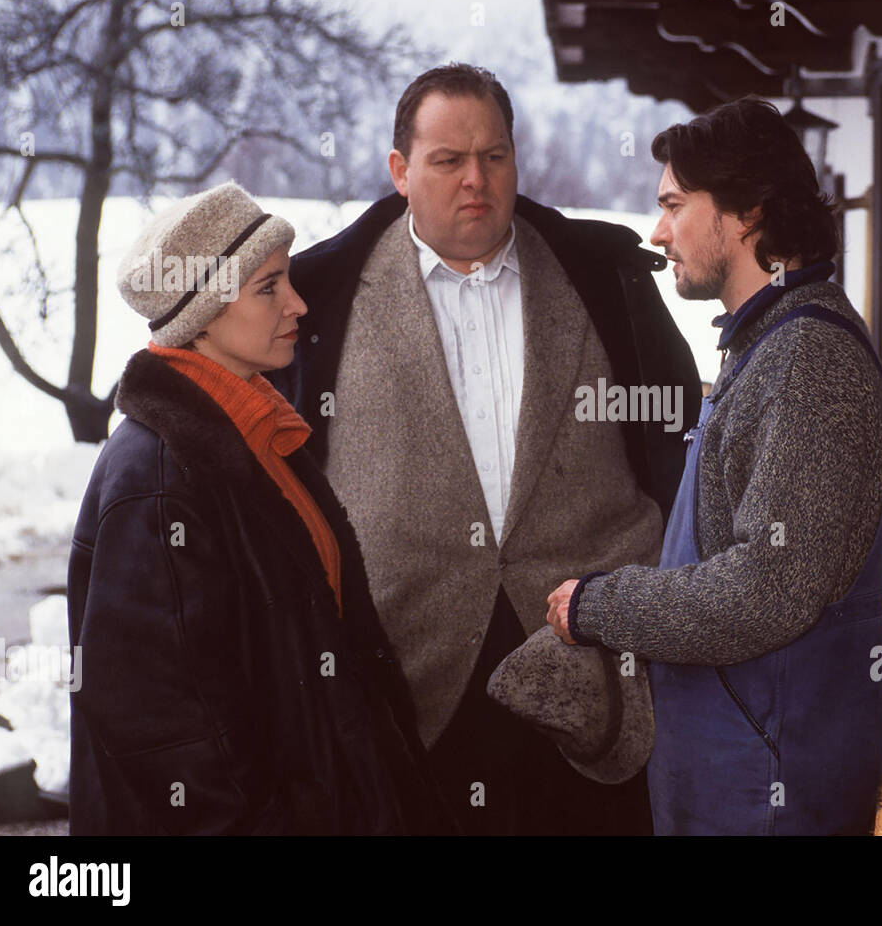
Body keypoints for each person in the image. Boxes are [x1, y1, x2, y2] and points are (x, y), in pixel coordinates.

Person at [266, 63, 701, 835]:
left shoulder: (605, 278)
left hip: (592, 667)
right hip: (409, 679)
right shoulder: (321, 297)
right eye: (448, 160)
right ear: (400, 170)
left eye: (493, 157)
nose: (476, 180)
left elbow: (679, 452)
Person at [546, 97, 882, 835]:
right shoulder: (765, 341)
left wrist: (601, 605)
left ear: (746, 215)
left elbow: (767, 591)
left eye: (675, 205)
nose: (658, 232)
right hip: (735, 773)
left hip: (770, 787)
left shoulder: (808, 360)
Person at [67, 182, 456, 835]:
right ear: (206, 312)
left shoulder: (260, 436)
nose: (298, 304)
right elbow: (164, 733)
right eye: (269, 287)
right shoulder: (158, 482)